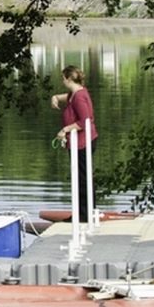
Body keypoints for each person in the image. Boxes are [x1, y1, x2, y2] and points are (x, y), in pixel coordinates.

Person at [51, 65, 98, 222]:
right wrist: (56, 97)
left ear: (69, 79)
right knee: (78, 177)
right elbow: (68, 97)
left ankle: (84, 215)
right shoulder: (75, 93)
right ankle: (81, 213)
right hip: (77, 143)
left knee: (82, 178)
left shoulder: (79, 96)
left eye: (63, 78)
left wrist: (65, 129)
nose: (62, 80)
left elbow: (85, 121)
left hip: (83, 143)